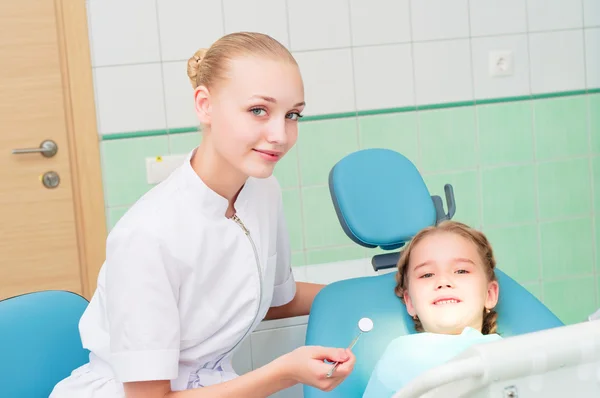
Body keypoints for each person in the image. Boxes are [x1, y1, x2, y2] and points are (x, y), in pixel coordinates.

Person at [50, 32, 355, 398]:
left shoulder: (263, 192)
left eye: (292, 115)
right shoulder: (147, 235)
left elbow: (276, 299)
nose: (280, 135)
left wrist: (392, 288)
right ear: (205, 105)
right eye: (259, 110)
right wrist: (285, 373)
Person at [362, 221, 501, 397]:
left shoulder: (508, 353)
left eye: (461, 271)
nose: (443, 282)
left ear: (489, 294)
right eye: (427, 274)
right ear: (410, 302)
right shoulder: (400, 355)